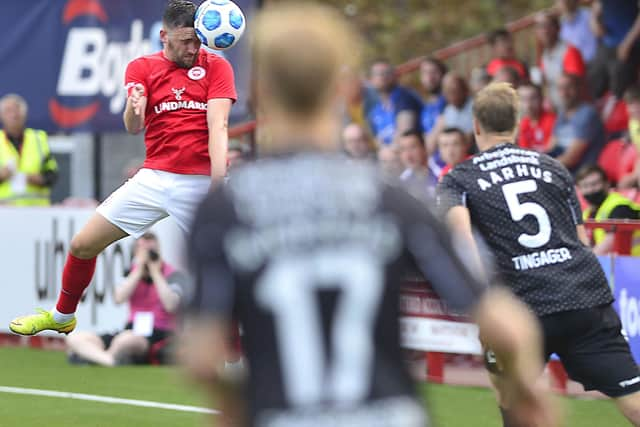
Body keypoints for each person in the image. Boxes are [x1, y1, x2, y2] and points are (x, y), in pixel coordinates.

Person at [181, 4, 556, 427]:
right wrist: (528, 396)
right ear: (339, 90)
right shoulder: (391, 198)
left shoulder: (224, 209)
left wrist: (235, 408)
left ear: (260, 90)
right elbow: (505, 323)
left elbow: (200, 357)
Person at [9, 0, 236, 336]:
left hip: (200, 182)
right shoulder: (141, 67)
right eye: (185, 41)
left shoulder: (216, 67)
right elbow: (133, 125)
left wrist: (217, 188)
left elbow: (218, 126)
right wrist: (134, 108)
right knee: (82, 245)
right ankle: (62, 317)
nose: (193, 48)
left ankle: (236, 354)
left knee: (225, 268)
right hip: (154, 179)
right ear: (164, 36)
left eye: (198, 40)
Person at [438, 82, 640, 426]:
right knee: (633, 399)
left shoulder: (458, 179)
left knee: (515, 403)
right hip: (583, 296)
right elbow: (581, 239)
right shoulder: (554, 168)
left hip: (521, 307)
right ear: (516, 123)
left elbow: (462, 244)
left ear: (476, 125)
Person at [66, 233, 186, 366]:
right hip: (130, 329)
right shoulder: (132, 272)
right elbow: (119, 298)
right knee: (76, 338)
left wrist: (155, 272)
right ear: (136, 252)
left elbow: (171, 305)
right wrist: (139, 269)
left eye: (151, 251)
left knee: (124, 340)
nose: (147, 255)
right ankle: (109, 360)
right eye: (143, 251)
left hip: (157, 334)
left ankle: (94, 357)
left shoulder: (173, 274)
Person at [0, 94, 58, 206]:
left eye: (17, 110)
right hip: (4, 211)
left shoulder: (38, 138)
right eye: (8, 111)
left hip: (36, 210)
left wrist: (40, 179)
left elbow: (52, 173)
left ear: (24, 114)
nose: (14, 115)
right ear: (1, 115)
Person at [575, 165, 640, 256]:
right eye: (585, 186)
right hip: (612, 264)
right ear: (579, 189)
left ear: (607, 184)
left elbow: (610, 243)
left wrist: (586, 264)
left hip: (632, 264)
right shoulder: (586, 214)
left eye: (595, 184)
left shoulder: (620, 206)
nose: (591, 190)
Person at [550, 73, 606, 173]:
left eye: (568, 87)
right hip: (561, 169)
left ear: (579, 88)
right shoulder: (562, 113)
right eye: (560, 88)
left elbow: (571, 158)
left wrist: (544, 166)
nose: (564, 93)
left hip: (582, 174)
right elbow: (550, 146)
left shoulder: (588, 114)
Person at [588, 0, 640, 100]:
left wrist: (627, 43)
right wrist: (594, 21)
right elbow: (596, 8)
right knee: (595, 78)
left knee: (618, 84)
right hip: (606, 45)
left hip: (630, 46)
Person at [535, 11, 586, 112]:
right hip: (556, 111)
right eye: (539, 27)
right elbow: (545, 83)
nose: (544, 31)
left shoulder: (570, 51)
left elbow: (576, 87)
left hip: (574, 111)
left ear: (558, 28)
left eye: (547, 26)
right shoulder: (544, 55)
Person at [366, 59, 423, 146]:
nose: (383, 77)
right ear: (371, 80)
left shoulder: (404, 97)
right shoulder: (376, 109)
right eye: (378, 74)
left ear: (395, 76)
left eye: (387, 73)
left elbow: (405, 133)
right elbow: (377, 139)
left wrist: (390, 151)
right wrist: (383, 150)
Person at [427, 72, 474, 157]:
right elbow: (431, 145)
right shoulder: (448, 111)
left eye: (454, 90)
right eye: (447, 91)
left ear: (464, 90)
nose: (451, 94)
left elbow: (469, 140)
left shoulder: (475, 106)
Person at [398, 129, 437, 201]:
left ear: (424, 148)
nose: (408, 155)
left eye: (413, 147)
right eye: (403, 149)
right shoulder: (402, 182)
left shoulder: (442, 174)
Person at [517, 83, 557, 153]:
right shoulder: (523, 123)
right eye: (523, 99)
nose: (528, 105)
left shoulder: (552, 121)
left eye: (533, 99)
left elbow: (549, 152)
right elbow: (524, 152)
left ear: (541, 99)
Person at [419, 57, 448, 135]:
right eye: (425, 73)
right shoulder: (425, 104)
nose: (429, 78)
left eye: (434, 72)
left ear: (443, 74)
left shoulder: (448, 100)